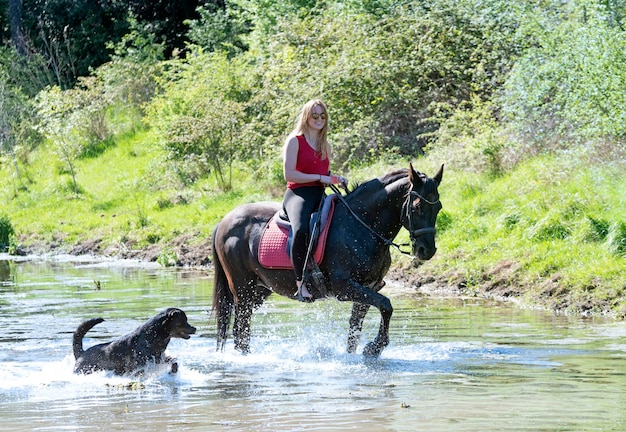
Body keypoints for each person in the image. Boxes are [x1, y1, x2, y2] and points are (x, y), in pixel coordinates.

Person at [282, 99, 347, 302]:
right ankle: (300, 284)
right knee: (301, 230)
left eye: (322, 115)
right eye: (315, 115)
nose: (319, 119)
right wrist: (321, 178)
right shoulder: (295, 141)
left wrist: (335, 178)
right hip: (298, 194)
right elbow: (289, 174)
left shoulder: (325, 144)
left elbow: (324, 172)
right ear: (306, 117)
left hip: (320, 193)